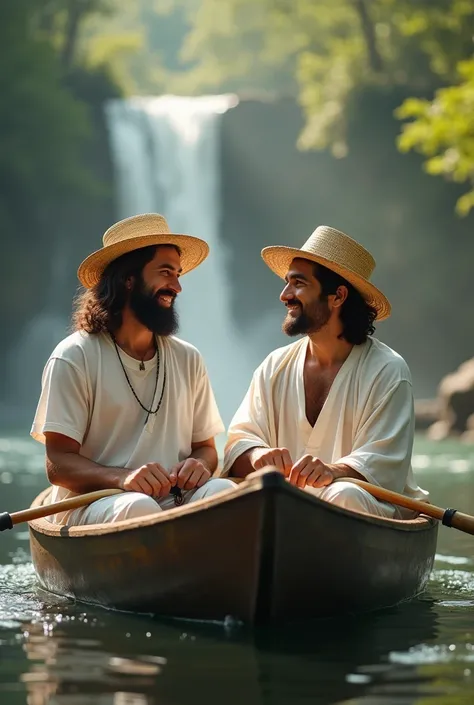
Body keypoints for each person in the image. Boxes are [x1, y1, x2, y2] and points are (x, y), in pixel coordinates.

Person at [31, 213, 236, 525]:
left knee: (226, 491)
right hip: (98, 503)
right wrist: (123, 479)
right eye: (166, 273)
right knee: (139, 508)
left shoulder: (189, 359)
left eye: (178, 274)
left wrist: (199, 465)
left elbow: (206, 449)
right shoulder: (75, 356)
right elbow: (58, 464)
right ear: (128, 279)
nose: (177, 286)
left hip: (174, 498)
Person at [223, 225, 428, 518]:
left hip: (363, 508)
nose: (284, 295)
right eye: (286, 282)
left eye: (298, 283)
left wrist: (332, 471)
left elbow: (383, 465)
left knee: (345, 494)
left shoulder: (388, 371)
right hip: (288, 511)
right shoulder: (274, 367)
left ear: (338, 296)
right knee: (221, 490)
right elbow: (239, 443)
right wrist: (258, 456)